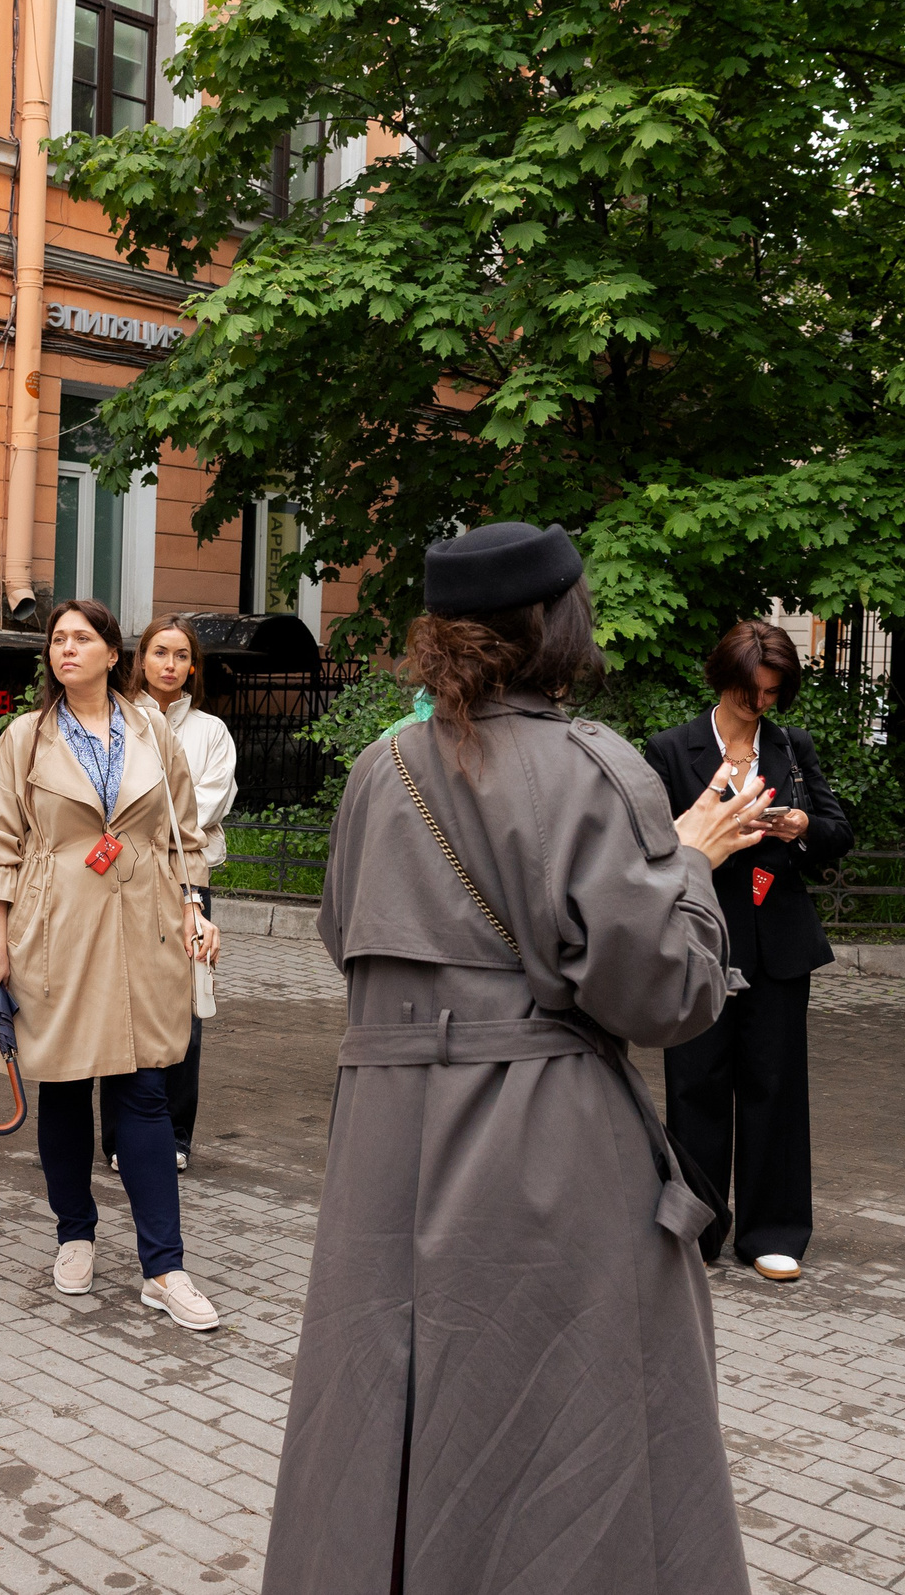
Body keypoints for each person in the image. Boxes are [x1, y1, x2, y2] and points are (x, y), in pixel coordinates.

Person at [264, 521, 769, 1595]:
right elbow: (665, 992)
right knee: (563, 1430)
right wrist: (688, 865)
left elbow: (340, 930)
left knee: (379, 1417)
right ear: (553, 623)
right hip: (544, 1143)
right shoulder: (596, 767)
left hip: (384, 1141)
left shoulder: (376, 769)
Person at [0, 598, 224, 1331]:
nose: (66, 649)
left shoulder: (153, 732)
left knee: (144, 1089)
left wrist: (194, 909)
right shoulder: (24, 738)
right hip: (55, 927)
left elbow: (186, 837)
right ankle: (74, 1233)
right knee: (66, 1088)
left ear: (116, 654)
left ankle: (164, 1267)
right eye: (57, 639)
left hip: (144, 930)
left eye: (83, 638)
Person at [643, 620, 854, 1283]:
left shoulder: (792, 748)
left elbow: (838, 831)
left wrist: (799, 827)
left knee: (776, 1084)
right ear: (724, 680)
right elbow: (648, 846)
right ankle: (697, 1228)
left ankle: (773, 1230)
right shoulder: (671, 750)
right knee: (695, 1082)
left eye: (772, 693)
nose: (761, 704)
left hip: (779, 939)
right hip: (700, 937)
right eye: (750, 692)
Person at [105, 614, 237, 1172]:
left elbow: (203, 806)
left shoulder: (210, 732)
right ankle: (116, 1138)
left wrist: (143, 819)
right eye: (160, 652)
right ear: (140, 659)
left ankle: (175, 1137)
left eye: (182, 656)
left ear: (193, 667)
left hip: (186, 880)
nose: (170, 665)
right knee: (116, 1005)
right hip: (121, 877)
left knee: (185, 1007)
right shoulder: (114, 717)